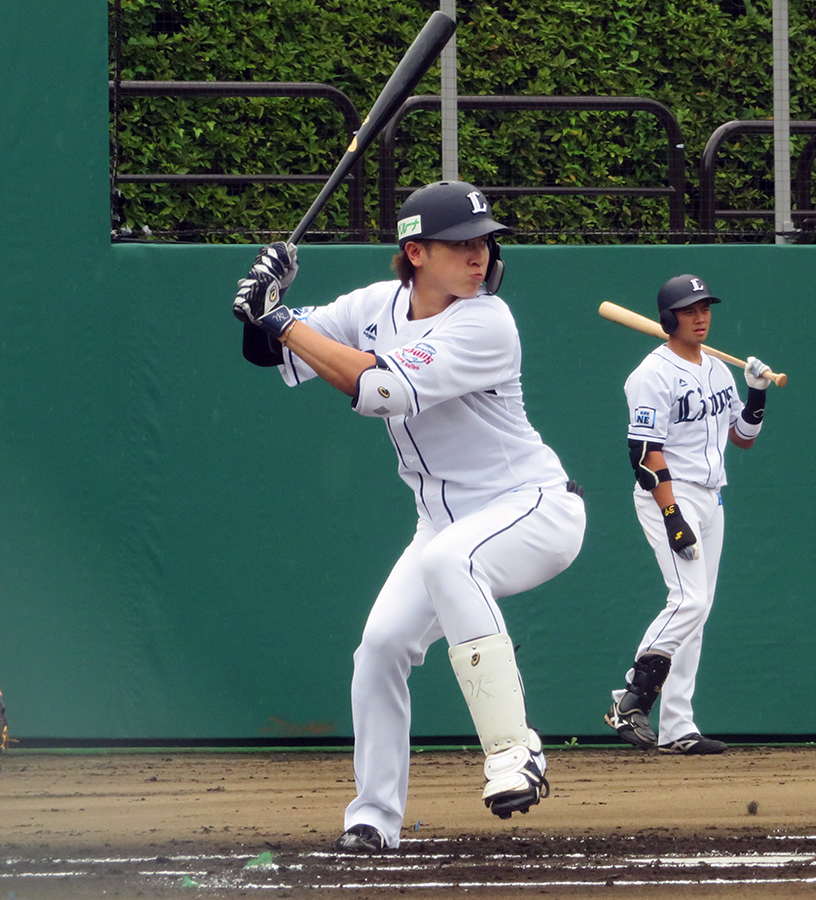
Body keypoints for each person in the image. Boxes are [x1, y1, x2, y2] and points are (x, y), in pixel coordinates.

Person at [232, 180, 586, 852]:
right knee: (381, 650)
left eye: (484, 241)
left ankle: (515, 752)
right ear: (416, 251)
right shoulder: (374, 306)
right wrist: (260, 307)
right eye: (461, 244)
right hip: (444, 523)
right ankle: (373, 818)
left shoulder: (487, 321)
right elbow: (271, 352)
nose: (479, 254)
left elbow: (379, 388)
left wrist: (279, 317)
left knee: (449, 560)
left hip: (532, 508)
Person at [604, 274, 773, 755]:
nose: (700, 317)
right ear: (667, 318)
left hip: (712, 497)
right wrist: (672, 514)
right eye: (689, 309)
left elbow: (742, 437)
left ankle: (679, 727)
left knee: (698, 613)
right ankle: (631, 698)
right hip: (669, 495)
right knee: (689, 601)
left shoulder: (719, 370)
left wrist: (757, 393)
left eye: (705, 308)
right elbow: (644, 452)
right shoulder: (650, 375)